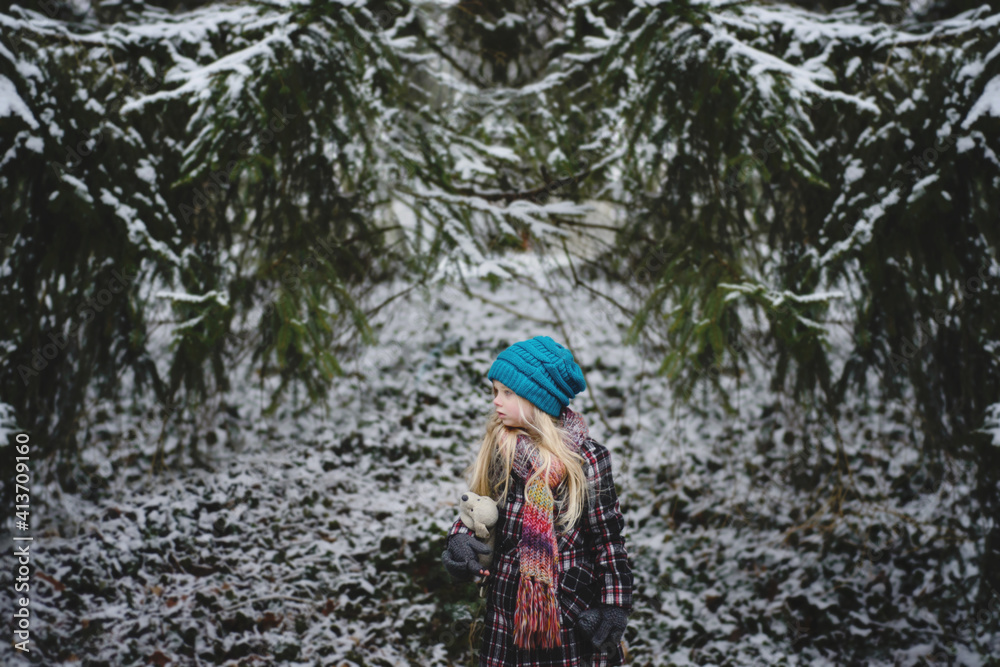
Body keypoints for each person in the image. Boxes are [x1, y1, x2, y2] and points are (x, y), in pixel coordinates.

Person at [441, 335, 634, 666]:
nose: (497, 402)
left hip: (568, 618)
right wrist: (461, 538)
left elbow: (608, 540)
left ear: (539, 399)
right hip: (506, 616)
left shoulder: (586, 460)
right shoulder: (501, 447)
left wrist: (614, 604)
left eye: (508, 393)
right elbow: (481, 508)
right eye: (495, 392)